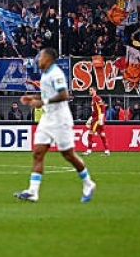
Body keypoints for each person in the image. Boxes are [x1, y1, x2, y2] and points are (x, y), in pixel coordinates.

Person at [14, 47, 96, 203]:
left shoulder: (56, 73)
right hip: (47, 118)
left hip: (60, 120)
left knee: (68, 155)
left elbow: (64, 95)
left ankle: (88, 183)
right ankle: (33, 191)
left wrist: (42, 101)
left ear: (49, 59)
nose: (38, 59)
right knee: (38, 153)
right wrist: (32, 98)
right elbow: (47, 95)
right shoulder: (45, 75)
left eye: (41, 57)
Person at [83, 87, 110, 156]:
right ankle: (107, 151)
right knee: (102, 134)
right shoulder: (93, 99)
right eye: (89, 90)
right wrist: (91, 118)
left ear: (95, 91)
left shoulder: (97, 98)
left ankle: (89, 151)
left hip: (98, 118)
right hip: (96, 117)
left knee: (90, 133)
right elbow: (94, 111)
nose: (89, 91)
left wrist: (101, 116)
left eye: (91, 90)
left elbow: (103, 107)